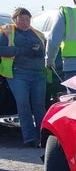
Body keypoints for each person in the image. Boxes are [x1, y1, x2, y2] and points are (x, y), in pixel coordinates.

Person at [0, 8, 47, 147]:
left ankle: (44, 137)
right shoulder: (7, 31)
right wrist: (20, 50)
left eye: (28, 20)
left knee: (39, 106)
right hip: (18, 73)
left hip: (38, 74)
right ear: (14, 19)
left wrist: (38, 51)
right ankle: (30, 138)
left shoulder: (37, 34)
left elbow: (44, 50)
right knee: (23, 105)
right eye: (22, 19)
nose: (25, 23)